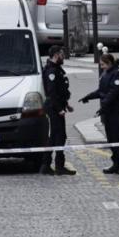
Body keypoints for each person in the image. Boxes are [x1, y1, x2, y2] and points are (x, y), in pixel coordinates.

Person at [79, 54, 119, 175]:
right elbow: (102, 91)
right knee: (111, 138)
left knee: (117, 138)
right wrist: (89, 97)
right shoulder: (106, 73)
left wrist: (103, 107)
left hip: (116, 110)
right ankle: (116, 164)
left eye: (103, 64)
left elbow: (113, 93)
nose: (101, 67)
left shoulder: (118, 75)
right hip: (108, 111)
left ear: (109, 63)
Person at [41, 46, 76, 176]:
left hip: (57, 106)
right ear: (56, 55)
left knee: (58, 136)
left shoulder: (56, 69)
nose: (63, 56)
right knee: (57, 136)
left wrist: (66, 104)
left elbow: (60, 91)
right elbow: (52, 92)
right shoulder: (51, 71)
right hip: (53, 107)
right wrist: (59, 109)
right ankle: (52, 165)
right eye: (61, 54)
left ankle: (52, 165)